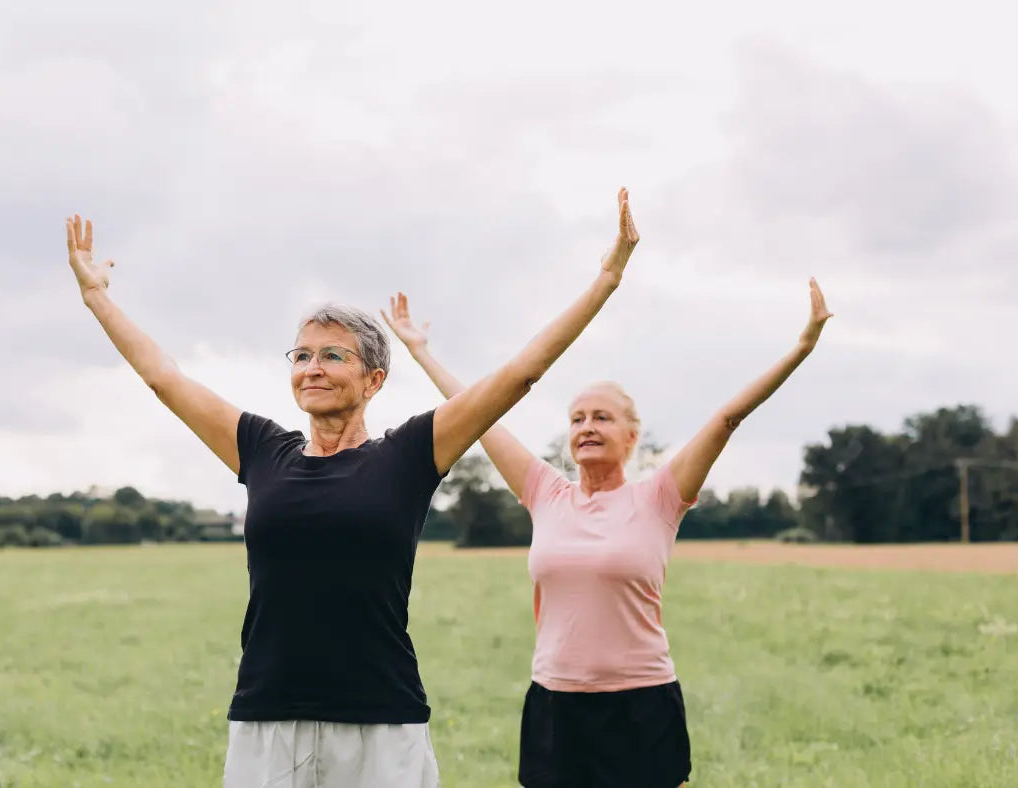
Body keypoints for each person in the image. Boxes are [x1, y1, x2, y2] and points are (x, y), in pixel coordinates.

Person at [62, 188, 642, 788]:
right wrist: (97, 296)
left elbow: (520, 374)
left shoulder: (410, 454)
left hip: (380, 720)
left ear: (374, 379)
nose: (311, 368)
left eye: (332, 355)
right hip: (269, 716)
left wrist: (606, 279)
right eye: (301, 355)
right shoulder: (262, 449)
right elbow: (164, 378)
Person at [382, 277, 833, 788]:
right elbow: (480, 416)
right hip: (555, 702)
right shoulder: (545, 492)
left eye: (602, 417)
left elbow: (727, 418)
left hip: (641, 703)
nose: (587, 427)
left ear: (632, 436)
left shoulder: (660, 496)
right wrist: (422, 352)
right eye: (577, 419)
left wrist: (801, 347)